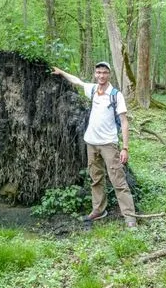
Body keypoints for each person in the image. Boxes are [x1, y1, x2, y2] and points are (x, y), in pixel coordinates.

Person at [52, 62, 136, 227]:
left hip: (109, 144)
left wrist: (125, 148)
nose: (101, 75)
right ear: (95, 74)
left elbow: (124, 122)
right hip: (91, 143)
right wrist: (61, 71)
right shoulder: (92, 90)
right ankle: (98, 210)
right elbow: (77, 81)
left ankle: (130, 217)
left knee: (118, 181)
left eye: (104, 73)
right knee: (96, 178)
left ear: (109, 74)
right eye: (98, 72)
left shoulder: (115, 95)